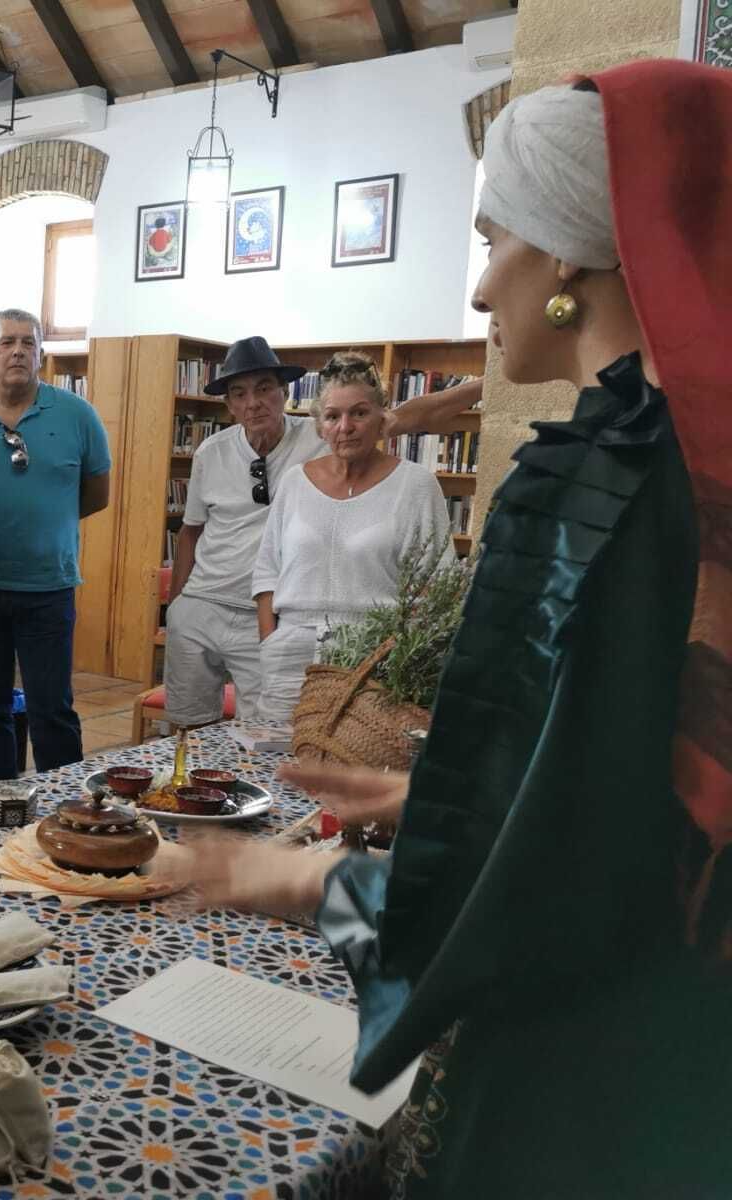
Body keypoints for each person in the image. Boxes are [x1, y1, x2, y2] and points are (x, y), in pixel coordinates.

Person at [175, 62, 732, 1196]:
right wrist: (453, 789)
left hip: (580, 1069)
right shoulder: (688, 463)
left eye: (493, 241)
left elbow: (562, 879)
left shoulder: (593, 482)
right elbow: (623, 766)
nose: (482, 293)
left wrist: (314, 884)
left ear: (569, 251)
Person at [165, 337, 479, 727]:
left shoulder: (331, 433)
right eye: (239, 394)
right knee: (196, 729)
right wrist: (177, 606)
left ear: (285, 393)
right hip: (214, 608)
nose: (253, 402)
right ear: (229, 404)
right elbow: (193, 533)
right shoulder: (215, 453)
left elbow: (411, 415)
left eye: (264, 388)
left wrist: (488, 382)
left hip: (289, 626)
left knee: (293, 739)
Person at [250, 351, 450, 723]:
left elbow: (435, 588)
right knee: (276, 770)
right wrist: (270, 644)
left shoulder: (415, 485)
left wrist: (404, 664)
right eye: (333, 416)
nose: (346, 426)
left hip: (373, 659)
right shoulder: (294, 481)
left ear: (382, 417)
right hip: (289, 658)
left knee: (354, 765)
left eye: (359, 413)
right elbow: (266, 572)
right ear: (320, 425)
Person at [0, 309, 110, 777]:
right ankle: (0, 804)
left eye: (28, 342)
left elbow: (95, 495)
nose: (18, 351)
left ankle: (66, 814)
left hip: (48, 586)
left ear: (41, 354)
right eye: (6, 343)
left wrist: (45, 521)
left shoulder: (78, 415)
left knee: (52, 709)